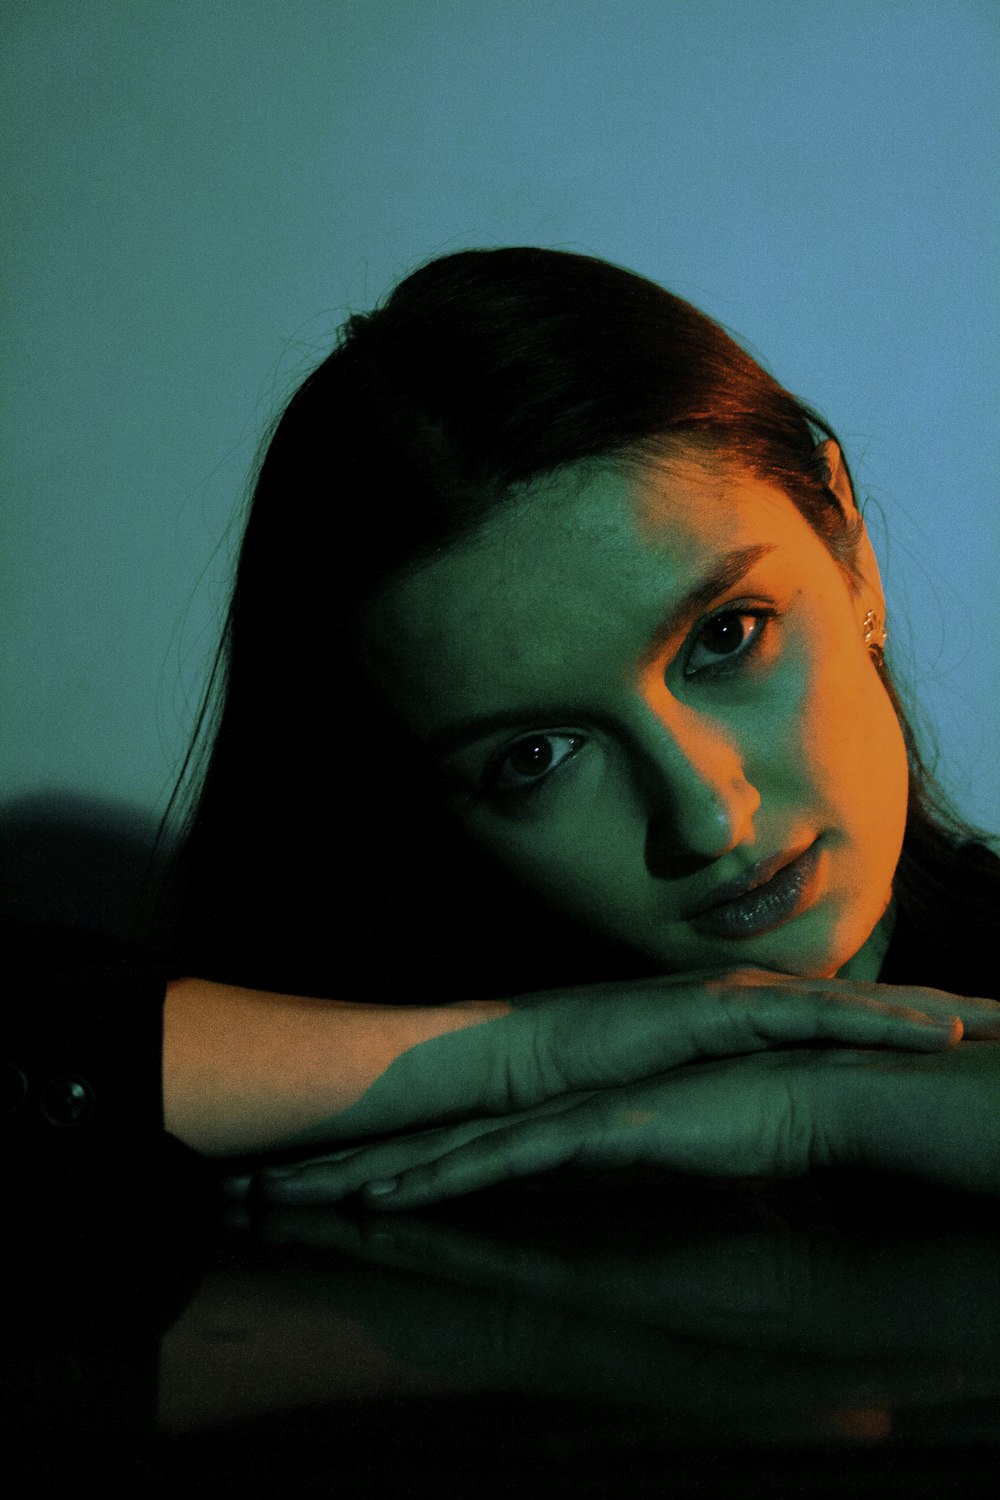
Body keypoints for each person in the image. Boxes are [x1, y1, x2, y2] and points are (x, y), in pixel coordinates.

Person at [6, 248, 998, 1211]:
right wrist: (531, 1052)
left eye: (726, 636)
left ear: (846, 549)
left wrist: (825, 1101)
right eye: (537, 756)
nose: (703, 818)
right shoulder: (347, 1142)